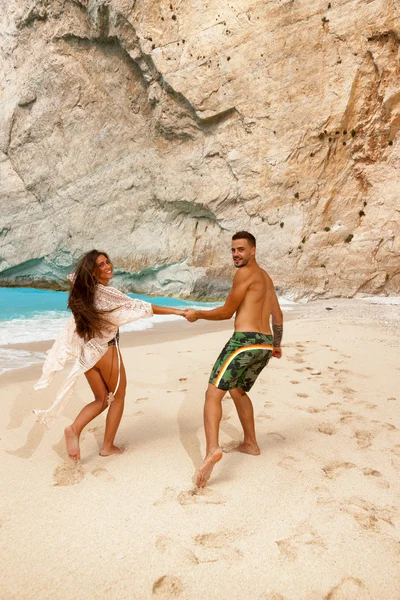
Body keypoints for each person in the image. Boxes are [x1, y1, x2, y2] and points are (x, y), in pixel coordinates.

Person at [34, 250, 186, 460]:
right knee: (118, 397)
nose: (108, 267)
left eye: (107, 262)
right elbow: (139, 306)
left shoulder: (84, 293)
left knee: (102, 399)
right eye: (101, 265)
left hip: (87, 354)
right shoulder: (105, 293)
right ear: (93, 272)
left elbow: (74, 278)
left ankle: (74, 429)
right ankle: (107, 446)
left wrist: (88, 274)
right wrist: (178, 312)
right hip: (106, 349)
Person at [185, 231, 283, 487]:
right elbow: (278, 316)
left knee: (212, 394)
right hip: (264, 344)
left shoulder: (244, 274)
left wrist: (198, 315)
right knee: (238, 390)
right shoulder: (267, 278)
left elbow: (228, 312)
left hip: (245, 343)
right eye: (233, 250)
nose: (236, 255)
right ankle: (250, 443)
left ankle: (211, 450)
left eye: (241, 249)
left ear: (253, 250)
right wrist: (277, 344)